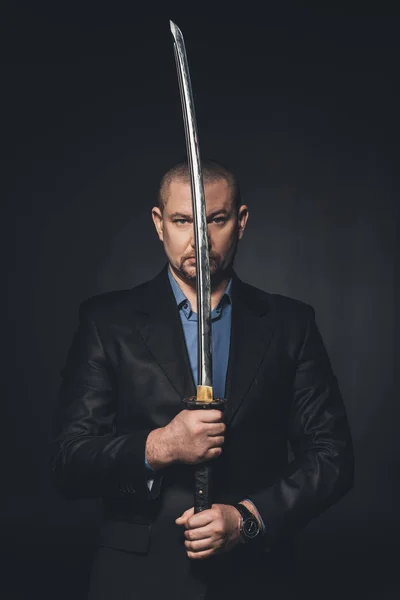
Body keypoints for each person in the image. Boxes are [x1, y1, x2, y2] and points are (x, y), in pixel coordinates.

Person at [49, 159, 354, 600]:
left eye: (216, 220)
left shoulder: (292, 324)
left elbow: (333, 457)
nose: (199, 239)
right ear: (159, 224)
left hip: (257, 577)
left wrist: (249, 518)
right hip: (138, 578)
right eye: (181, 220)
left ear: (241, 222)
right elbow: (69, 463)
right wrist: (160, 447)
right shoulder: (106, 322)